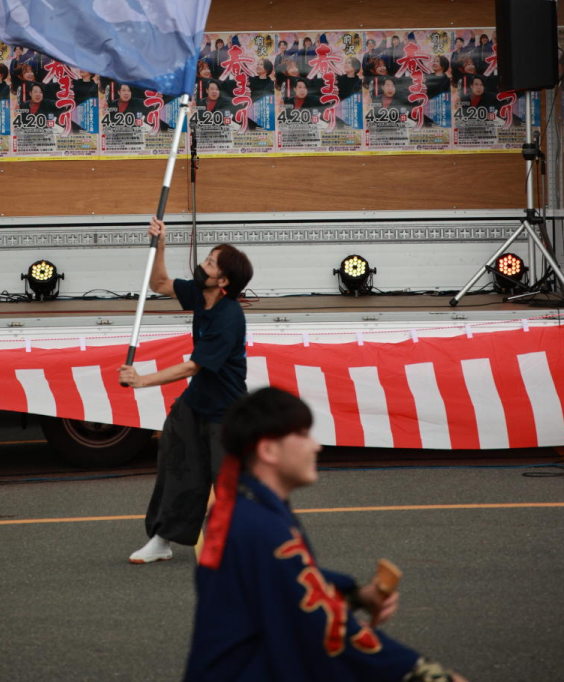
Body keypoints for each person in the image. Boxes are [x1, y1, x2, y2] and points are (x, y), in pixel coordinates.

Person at [184, 386, 468, 682]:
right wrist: (421, 671)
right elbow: (324, 626)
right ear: (268, 450)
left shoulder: (246, 509)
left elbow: (287, 581)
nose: (316, 446)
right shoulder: (261, 526)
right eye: (304, 434)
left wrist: (356, 593)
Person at [119, 217, 253, 564]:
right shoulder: (200, 293)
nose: (202, 264)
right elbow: (160, 282)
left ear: (223, 280)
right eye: (207, 258)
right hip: (195, 405)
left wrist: (142, 380)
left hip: (226, 412)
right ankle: (162, 540)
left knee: (227, 486)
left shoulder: (229, 317)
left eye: (210, 263)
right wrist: (160, 242)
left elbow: (194, 366)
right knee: (176, 468)